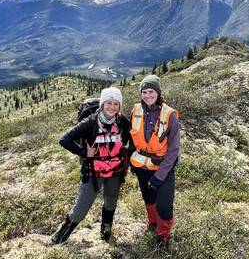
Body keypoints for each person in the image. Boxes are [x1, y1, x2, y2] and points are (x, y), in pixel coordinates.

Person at [50, 87, 131, 245]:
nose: (112, 107)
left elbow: (127, 141)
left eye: (116, 103)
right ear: (102, 104)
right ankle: (59, 238)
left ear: (119, 106)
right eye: (109, 103)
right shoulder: (90, 122)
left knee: (111, 202)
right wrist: (83, 152)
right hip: (93, 172)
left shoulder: (123, 122)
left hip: (115, 171)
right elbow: (64, 140)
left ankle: (105, 235)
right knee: (81, 208)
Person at [129, 75, 180, 250]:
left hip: (163, 168)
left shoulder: (170, 115)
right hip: (142, 166)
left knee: (165, 206)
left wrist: (160, 176)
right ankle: (152, 223)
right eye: (144, 92)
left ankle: (163, 236)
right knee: (148, 198)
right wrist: (131, 163)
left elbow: (173, 150)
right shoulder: (135, 110)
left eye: (151, 91)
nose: (147, 95)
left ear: (158, 93)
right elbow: (131, 140)